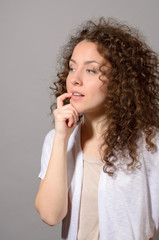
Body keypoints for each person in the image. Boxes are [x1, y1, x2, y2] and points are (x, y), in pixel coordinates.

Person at [35, 17, 159, 240]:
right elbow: (50, 215)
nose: (75, 79)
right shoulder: (57, 139)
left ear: (119, 80)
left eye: (90, 70)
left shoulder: (151, 144)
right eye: (72, 68)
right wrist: (61, 139)